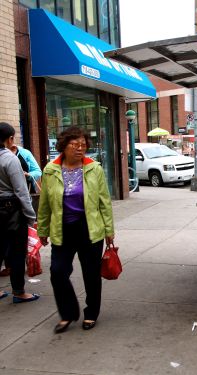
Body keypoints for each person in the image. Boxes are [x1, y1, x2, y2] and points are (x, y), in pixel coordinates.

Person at [37, 126, 115, 333]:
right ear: (64, 146)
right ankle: (68, 313)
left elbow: (104, 201)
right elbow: (44, 204)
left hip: (89, 228)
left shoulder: (94, 168)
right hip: (62, 229)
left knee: (91, 274)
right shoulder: (50, 170)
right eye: (75, 145)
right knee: (58, 272)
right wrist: (42, 230)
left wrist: (109, 230)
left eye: (83, 145)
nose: (80, 149)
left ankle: (91, 313)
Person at [0, 122, 39, 303]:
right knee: (17, 251)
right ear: (10, 139)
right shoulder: (10, 159)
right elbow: (21, 191)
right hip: (11, 210)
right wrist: (31, 216)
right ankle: (19, 291)